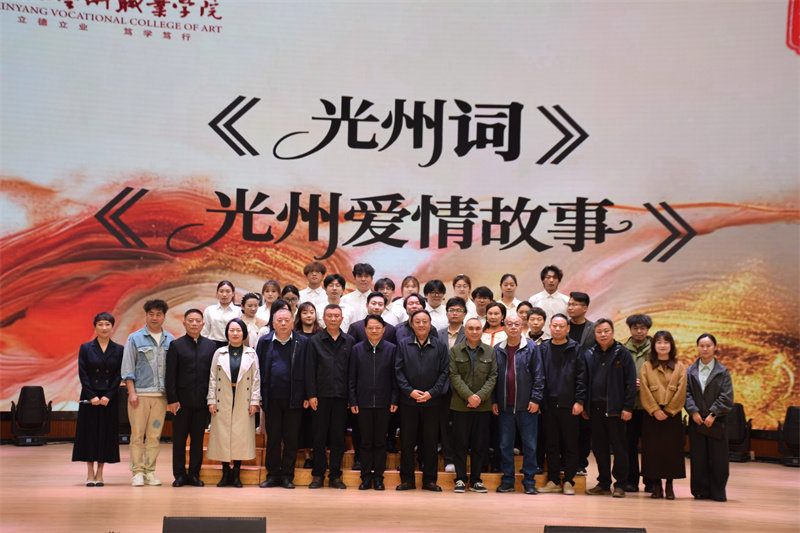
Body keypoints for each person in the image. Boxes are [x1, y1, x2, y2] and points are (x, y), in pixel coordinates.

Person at [121, 299, 175, 487]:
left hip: (161, 396)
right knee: (137, 436)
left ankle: (150, 472)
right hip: (140, 395)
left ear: (164, 316)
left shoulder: (170, 340)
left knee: (154, 437)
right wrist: (131, 392)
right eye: (151, 314)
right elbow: (128, 367)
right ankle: (137, 472)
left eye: (158, 314)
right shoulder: (134, 338)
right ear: (146, 315)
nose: (154, 317)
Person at [395, 310, 449, 492]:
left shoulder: (440, 345)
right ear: (411, 324)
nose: (421, 325)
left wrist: (432, 393)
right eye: (417, 321)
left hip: (432, 402)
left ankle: (430, 480)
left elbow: (444, 372)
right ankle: (407, 480)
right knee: (407, 441)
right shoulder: (403, 344)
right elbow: (398, 371)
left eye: (425, 321)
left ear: (430, 323)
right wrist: (410, 391)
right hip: (408, 402)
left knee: (431, 442)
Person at [583, 319, 636, 498]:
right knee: (599, 449)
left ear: (612, 332)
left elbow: (630, 383)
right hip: (595, 409)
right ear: (595, 334)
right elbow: (584, 382)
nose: (603, 335)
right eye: (599, 332)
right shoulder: (589, 354)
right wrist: (585, 406)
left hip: (616, 410)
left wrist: (627, 407)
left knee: (620, 449)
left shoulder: (623, 353)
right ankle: (604, 483)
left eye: (606, 331)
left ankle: (620, 484)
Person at [492, 314, 544, 495]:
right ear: (504, 327)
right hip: (504, 406)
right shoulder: (498, 349)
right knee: (505, 445)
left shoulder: (532, 348)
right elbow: (493, 377)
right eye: (509, 324)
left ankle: (529, 482)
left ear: (522, 326)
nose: (513, 327)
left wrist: (536, 399)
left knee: (530, 446)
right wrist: (494, 400)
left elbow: (539, 375)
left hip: (526, 406)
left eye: (517, 324)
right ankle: (507, 481)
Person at [257, 308, 309, 489]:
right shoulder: (264, 342)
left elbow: (308, 370)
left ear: (293, 322)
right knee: (273, 438)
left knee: (291, 439)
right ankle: (272, 475)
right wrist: (259, 396)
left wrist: (307, 395)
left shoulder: (302, 342)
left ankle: (287, 476)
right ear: (273, 323)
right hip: (271, 399)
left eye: (287, 320)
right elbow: (258, 370)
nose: (283, 323)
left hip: (294, 398)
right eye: (279, 320)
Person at [207, 318, 261, 488]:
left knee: (240, 436)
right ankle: (225, 473)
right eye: (232, 330)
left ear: (244, 333)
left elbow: (256, 379)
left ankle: (236, 473)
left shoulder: (251, 353)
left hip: (243, 398)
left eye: (238, 330)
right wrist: (211, 400)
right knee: (222, 435)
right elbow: (212, 377)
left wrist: (254, 401)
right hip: (223, 397)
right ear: (227, 333)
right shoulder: (219, 353)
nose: (235, 333)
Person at [165, 309, 216, 487]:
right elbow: (170, 375)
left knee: (197, 441)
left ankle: (194, 474)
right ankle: (179, 475)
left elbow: (213, 375)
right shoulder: (176, 345)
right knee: (179, 441)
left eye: (197, 321)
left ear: (203, 324)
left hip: (202, 402)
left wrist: (211, 400)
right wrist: (172, 400)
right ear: (184, 323)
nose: (194, 324)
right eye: (190, 320)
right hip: (181, 403)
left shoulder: (210, 346)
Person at [72, 312, 124, 487]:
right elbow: (83, 373)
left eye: (107, 324)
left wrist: (108, 395)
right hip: (90, 398)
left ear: (112, 327)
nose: (104, 328)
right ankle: (89, 472)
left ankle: (100, 472)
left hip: (109, 398)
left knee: (105, 434)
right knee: (89, 434)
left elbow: (119, 374)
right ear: (95, 327)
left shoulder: (119, 349)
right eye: (100, 324)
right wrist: (92, 395)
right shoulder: (86, 348)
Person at [537, 314, 586, 495]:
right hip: (548, 405)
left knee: (570, 445)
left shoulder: (575, 349)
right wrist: (538, 401)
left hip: (569, 405)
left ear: (568, 328)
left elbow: (581, 377)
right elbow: (538, 375)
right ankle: (553, 480)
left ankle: (569, 481)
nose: (557, 329)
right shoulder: (543, 348)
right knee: (551, 445)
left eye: (561, 326)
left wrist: (579, 401)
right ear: (550, 327)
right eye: (555, 326)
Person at [348, 315, 399, 490]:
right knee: (365, 442)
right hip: (362, 403)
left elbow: (395, 377)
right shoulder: (357, 349)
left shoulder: (392, 349)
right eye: (370, 328)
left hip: (385, 403)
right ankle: (365, 477)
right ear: (365, 330)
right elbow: (351, 377)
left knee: (380, 442)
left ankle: (378, 478)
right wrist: (353, 399)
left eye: (378, 327)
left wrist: (394, 398)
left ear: (383, 330)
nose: (374, 331)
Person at [306, 304, 354, 489]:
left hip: (341, 397)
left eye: (336, 316)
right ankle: (318, 475)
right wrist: (311, 395)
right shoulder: (314, 341)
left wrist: (351, 397)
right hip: (320, 397)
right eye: (329, 316)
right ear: (323, 318)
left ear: (342, 319)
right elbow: (309, 370)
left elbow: (352, 372)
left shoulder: (349, 341)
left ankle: (335, 475)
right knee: (318, 437)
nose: (333, 319)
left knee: (337, 438)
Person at [449, 317, 498, 494]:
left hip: (482, 406)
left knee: (479, 445)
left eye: (478, 328)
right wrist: (469, 396)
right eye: (471, 328)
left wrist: (479, 397)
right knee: (460, 444)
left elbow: (493, 376)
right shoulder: (455, 350)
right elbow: (454, 376)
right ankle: (460, 479)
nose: (474, 332)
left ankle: (476, 480)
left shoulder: (490, 351)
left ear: (482, 331)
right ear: (465, 331)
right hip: (460, 406)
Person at [685, 333, 734, 502]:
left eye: (708, 346)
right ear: (697, 348)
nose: (705, 349)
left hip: (717, 420)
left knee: (718, 458)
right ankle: (700, 491)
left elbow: (727, 396)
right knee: (698, 457)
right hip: (697, 420)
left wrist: (713, 413)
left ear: (715, 348)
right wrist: (694, 412)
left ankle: (718, 491)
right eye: (701, 346)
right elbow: (686, 393)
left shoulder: (723, 372)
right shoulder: (690, 371)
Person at [639, 330, 687, 500]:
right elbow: (644, 390)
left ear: (671, 345)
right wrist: (654, 409)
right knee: (653, 451)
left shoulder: (679, 366)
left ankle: (670, 485)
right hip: (652, 415)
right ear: (654, 346)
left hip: (672, 416)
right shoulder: (646, 366)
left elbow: (681, 391)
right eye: (659, 342)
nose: (662, 345)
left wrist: (669, 411)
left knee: (671, 452)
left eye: (666, 342)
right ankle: (656, 485)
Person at [623, 313, 654, 493]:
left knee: (650, 445)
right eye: (635, 328)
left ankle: (651, 481)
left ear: (648, 330)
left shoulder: (655, 349)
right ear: (630, 329)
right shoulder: (622, 349)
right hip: (628, 406)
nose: (639, 331)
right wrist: (628, 384)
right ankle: (630, 480)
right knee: (629, 445)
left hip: (650, 407)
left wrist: (646, 384)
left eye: (643, 328)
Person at [528, 265, 569, 334]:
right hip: (539, 338)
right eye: (548, 277)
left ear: (559, 280)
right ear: (543, 280)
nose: (551, 280)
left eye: (555, 278)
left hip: (560, 338)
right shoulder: (533, 300)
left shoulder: (566, 300)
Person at [201, 280, 242, 349]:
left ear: (233, 294)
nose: (224, 295)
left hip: (232, 345)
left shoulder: (239, 311)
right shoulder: (209, 310)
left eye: (227, 291)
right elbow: (204, 332)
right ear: (217, 293)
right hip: (212, 345)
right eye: (221, 291)